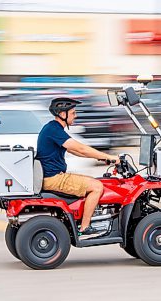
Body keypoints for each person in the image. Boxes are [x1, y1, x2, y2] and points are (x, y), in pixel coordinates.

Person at [36, 97, 119, 237]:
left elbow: (73, 150)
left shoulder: (53, 128)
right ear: (63, 114)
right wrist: (108, 157)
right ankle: (85, 227)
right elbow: (80, 149)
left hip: (51, 176)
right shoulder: (53, 129)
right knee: (97, 187)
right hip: (54, 178)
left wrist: (99, 157)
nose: (76, 116)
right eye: (73, 113)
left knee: (93, 180)